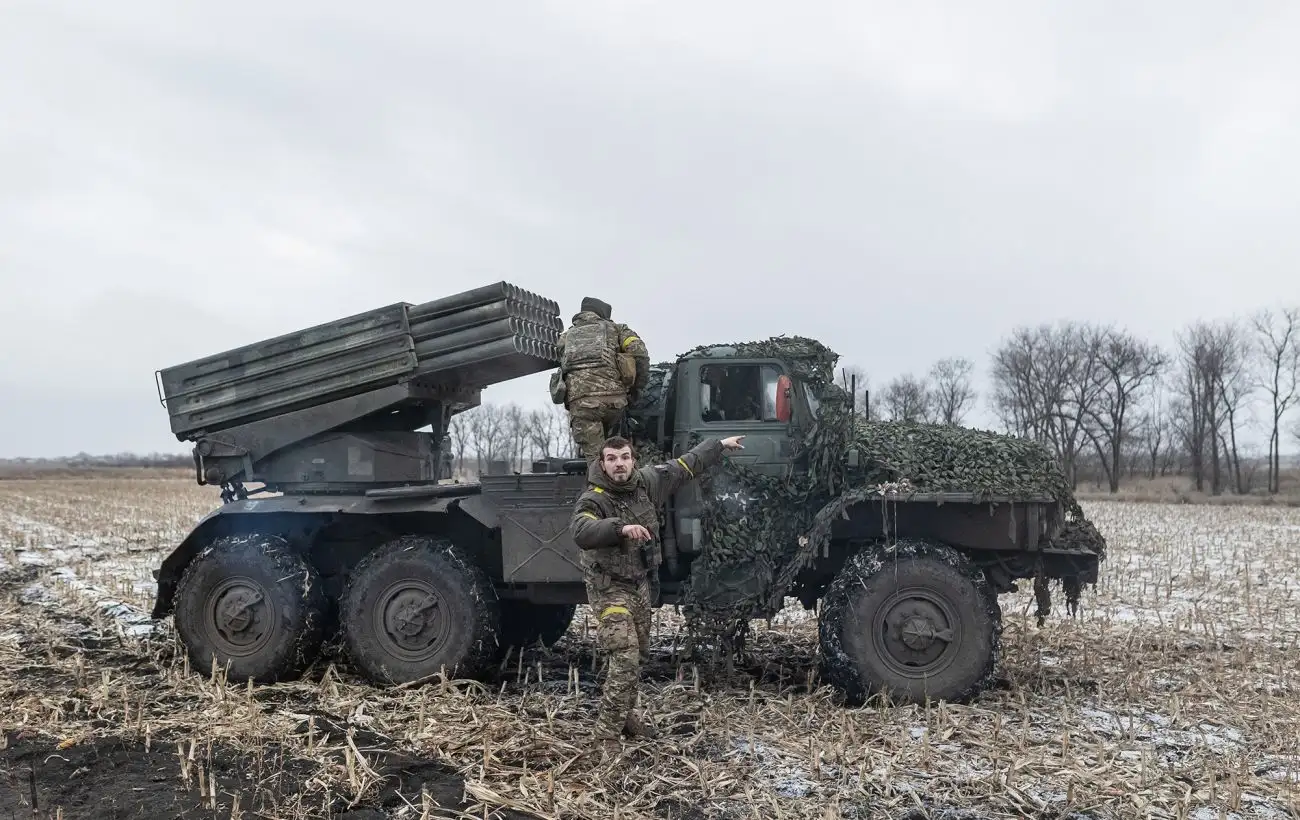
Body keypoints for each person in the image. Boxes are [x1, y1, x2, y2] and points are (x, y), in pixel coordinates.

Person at [569, 432, 746, 754]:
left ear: (633, 460)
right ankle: (605, 734)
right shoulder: (593, 498)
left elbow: (684, 467)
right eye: (612, 459)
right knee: (623, 655)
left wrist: (718, 446)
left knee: (638, 656)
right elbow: (581, 530)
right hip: (609, 588)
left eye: (624, 457)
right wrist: (619, 528)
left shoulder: (647, 483)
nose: (619, 464)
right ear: (603, 464)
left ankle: (627, 716)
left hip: (639, 583)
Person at [551, 297, 649, 461]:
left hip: (582, 406)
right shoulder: (618, 330)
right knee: (618, 456)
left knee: (596, 462)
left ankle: (599, 482)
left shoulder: (565, 337)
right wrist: (637, 388)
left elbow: (561, 360)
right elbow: (639, 353)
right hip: (615, 402)